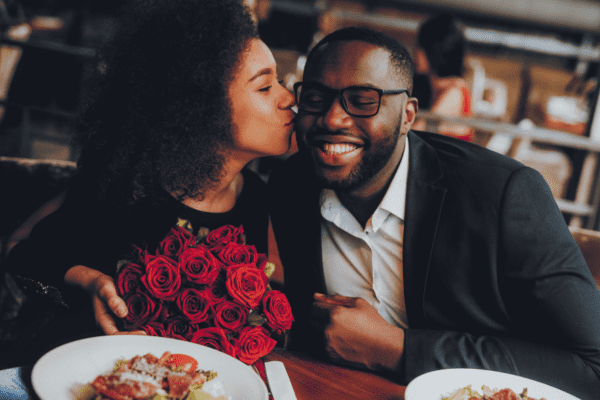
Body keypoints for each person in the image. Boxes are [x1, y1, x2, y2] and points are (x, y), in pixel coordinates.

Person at [267, 27, 600, 399]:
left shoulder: (504, 195)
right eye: (315, 97)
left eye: (362, 101)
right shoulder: (290, 186)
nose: (331, 119)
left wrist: (398, 349)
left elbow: (593, 366)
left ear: (408, 115)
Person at [2, 0, 295, 365]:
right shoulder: (129, 185)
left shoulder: (258, 200)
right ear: (202, 107)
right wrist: (88, 281)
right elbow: (19, 249)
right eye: (266, 88)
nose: (289, 98)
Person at [411, 14, 474, 142]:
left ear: (433, 51)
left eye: (420, 45)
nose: (416, 51)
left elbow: (414, 132)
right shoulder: (440, 86)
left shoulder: (453, 93)